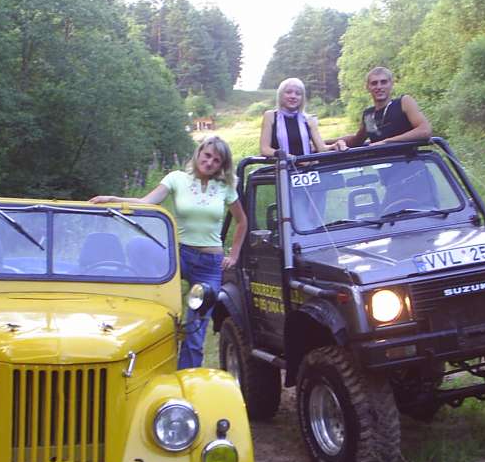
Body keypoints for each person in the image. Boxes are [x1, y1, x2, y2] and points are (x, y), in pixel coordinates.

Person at [89, 136, 247, 369]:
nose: (210, 162)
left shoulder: (225, 187)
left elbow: (242, 221)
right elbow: (146, 202)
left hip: (209, 264)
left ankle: (185, 378)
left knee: (196, 332)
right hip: (179, 256)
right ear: (198, 153)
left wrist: (233, 255)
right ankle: (155, 316)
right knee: (137, 246)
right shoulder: (176, 178)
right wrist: (114, 200)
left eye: (217, 160)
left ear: (222, 165)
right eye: (207, 155)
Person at [337, 67, 432, 147]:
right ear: (368, 87)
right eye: (374, 83)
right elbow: (356, 141)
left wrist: (386, 142)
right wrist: (329, 143)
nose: (379, 87)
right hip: (380, 162)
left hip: (408, 160)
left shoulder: (404, 102)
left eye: (383, 82)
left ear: (391, 84)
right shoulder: (369, 115)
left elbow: (425, 131)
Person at [259, 77, 347, 157]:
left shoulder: (309, 119)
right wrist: (284, 155)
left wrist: (334, 146)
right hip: (283, 168)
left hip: (307, 167)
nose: (293, 96)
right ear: (280, 95)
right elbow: (264, 149)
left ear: (302, 98)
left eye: (298, 93)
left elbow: (321, 148)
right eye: (288, 92)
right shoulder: (270, 116)